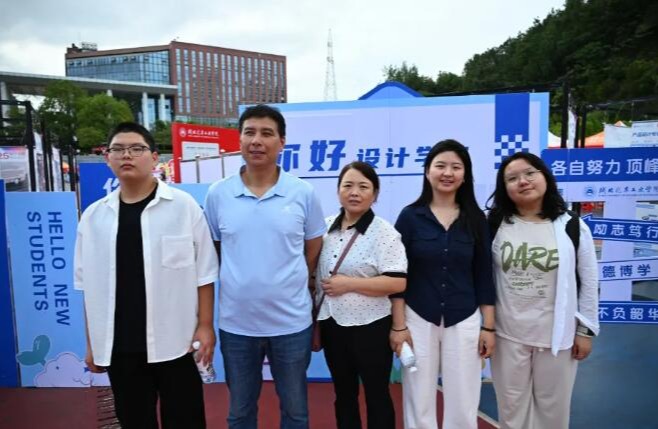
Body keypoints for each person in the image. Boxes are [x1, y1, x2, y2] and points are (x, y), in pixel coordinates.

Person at [74, 122, 218, 428]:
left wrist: (205, 326)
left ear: (154, 158)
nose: (127, 155)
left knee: (186, 420)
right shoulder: (93, 217)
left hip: (176, 341)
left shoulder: (183, 207)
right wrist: (92, 344)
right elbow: (88, 287)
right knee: (135, 421)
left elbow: (204, 273)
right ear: (107, 158)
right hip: (121, 346)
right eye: (118, 149)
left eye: (136, 149)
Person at [204, 104, 326, 429]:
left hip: (291, 323)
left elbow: (313, 246)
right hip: (237, 325)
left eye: (267, 133)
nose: (257, 140)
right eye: (250, 132)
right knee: (240, 412)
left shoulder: (302, 193)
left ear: (282, 142)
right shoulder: (218, 194)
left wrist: (289, 277)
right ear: (240, 139)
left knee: (295, 412)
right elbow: (216, 248)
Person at [487, 152, 599, 429]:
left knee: (553, 411)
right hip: (508, 335)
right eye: (512, 178)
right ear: (504, 188)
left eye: (530, 173)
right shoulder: (495, 223)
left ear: (545, 177)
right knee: (511, 410)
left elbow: (589, 282)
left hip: (556, 337)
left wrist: (585, 331)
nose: (523, 181)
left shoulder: (571, 225)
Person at [392, 139, 495, 429]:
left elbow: (484, 274)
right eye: (440, 166)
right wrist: (398, 326)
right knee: (418, 396)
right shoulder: (410, 217)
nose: (447, 173)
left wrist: (488, 327)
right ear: (427, 172)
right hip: (418, 316)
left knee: (464, 397)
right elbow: (397, 275)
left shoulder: (476, 219)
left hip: (464, 316)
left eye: (455, 167)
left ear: (465, 175)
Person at [315, 161, 407, 429]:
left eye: (363, 187)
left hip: (371, 326)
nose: (354, 192)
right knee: (343, 394)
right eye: (348, 185)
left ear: (375, 194)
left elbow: (397, 282)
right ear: (338, 191)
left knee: (377, 394)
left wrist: (349, 284)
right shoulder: (324, 229)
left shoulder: (385, 233)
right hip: (332, 324)